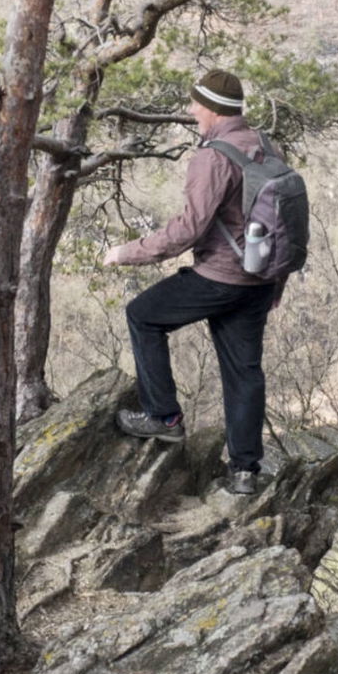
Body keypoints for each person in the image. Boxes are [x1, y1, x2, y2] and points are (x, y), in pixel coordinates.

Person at [103, 69, 282, 496]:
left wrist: (125, 252)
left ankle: (163, 418)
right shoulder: (265, 146)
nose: (190, 111)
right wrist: (276, 283)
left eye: (195, 104)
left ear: (213, 109)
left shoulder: (213, 157)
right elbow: (283, 225)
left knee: (143, 315)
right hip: (259, 281)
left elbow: (187, 230)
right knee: (244, 372)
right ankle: (244, 472)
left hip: (220, 278)